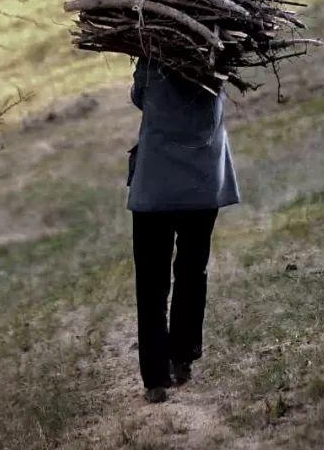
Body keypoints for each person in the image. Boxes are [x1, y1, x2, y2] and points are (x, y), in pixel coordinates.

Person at [127, 56, 240, 403]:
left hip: (156, 186)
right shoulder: (220, 53)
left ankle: (156, 378)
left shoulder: (152, 60)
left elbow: (138, 97)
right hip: (203, 183)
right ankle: (182, 359)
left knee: (151, 281)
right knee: (192, 270)